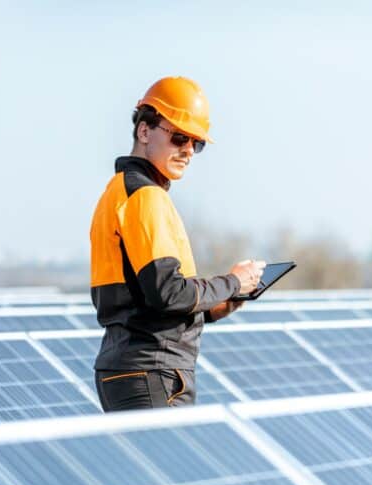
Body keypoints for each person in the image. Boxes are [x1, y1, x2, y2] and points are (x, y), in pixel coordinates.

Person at [89, 76, 265, 411]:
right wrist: (232, 282)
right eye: (179, 137)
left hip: (132, 367)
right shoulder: (145, 197)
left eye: (196, 144)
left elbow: (151, 304)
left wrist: (229, 298)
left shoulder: (118, 191)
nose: (187, 150)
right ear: (144, 131)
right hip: (152, 371)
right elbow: (168, 293)